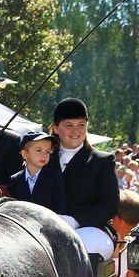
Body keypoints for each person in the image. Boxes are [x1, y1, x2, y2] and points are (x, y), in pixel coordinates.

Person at [51, 98, 119, 261]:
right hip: (45, 226)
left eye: (81, 124)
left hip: (89, 228)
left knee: (75, 249)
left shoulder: (102, 161)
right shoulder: (42, 158)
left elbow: (110, 204)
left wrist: (75, 220)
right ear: (55, 128)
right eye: (69, 125)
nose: (76, 130)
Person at [7, 132, 66, 214]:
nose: (44, 155)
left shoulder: (54, 177)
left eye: (48, 152)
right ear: (25, 154)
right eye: (38, 150)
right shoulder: (15, 179)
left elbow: (60, 206)